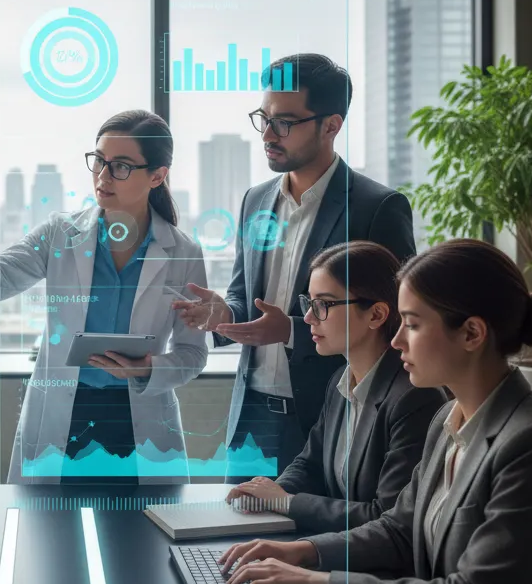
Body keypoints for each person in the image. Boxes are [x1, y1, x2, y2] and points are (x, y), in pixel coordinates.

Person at [218, 239, 532, 584]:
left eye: (411, 324)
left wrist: (317, 582)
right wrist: (303, 553)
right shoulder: (446, 421)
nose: (395, 340)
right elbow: (398, 528)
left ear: (471, 334)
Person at [0, 110, 207, 484]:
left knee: (144, 539)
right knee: (51, 538)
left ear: (157, 175)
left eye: (122, 167)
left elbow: (193, 353)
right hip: (62, 421)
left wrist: (147, 368)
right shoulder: (60, 234)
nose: (102, 176)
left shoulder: (183, 253)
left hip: (140, 426)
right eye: (99, 161)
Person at [174, 53, 416, 477]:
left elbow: (391, 319)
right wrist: (224, 311)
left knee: (315, 540)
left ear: (331, 125)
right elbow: (244, 293)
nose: (268, 133)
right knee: (240, 539)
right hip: (251, 417)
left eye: (284, 122)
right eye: (263, 118)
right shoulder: (255, 200)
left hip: (332, 414)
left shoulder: (377, 207)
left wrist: (290, 330)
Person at [226, 241, 446, 532]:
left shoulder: (414, 397)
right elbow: (310, 464)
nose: (307, 318)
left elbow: (386, 517)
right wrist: (265, 493)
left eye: (323, 305)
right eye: (309, 303)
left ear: (376, 315)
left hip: (371, 565)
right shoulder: (340, 381)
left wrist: (284, 502)